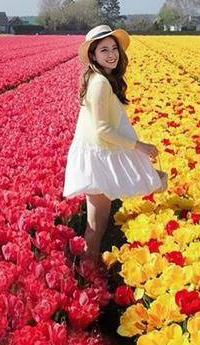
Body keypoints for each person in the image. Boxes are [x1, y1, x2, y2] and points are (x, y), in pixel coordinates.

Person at [63, 24, 167, 266]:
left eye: (114, 48)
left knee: (98, 222)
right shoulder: (100, 83)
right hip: (97, 157)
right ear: (93, 55)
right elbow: (103, 129)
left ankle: (88, 268)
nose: (111, 54)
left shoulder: (100, 79)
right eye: (104, 50)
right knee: (96, 225)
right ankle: (88, 270)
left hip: (98, 154)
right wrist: (140, 146)